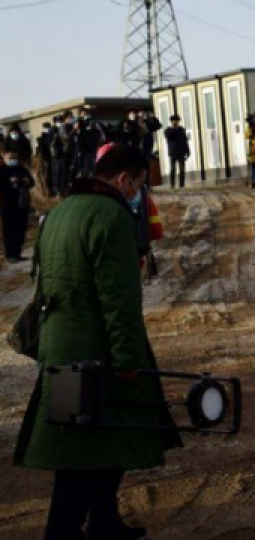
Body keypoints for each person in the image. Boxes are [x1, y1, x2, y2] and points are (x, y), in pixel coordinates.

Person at [13, 144, 183, 540]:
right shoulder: (112, 217)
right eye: (139, 185)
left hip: (61, 348)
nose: (138, 194)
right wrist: (127, 356)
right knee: (89, 451)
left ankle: (105, 522)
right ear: (124, 179)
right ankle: (63, 532)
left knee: (94, 441)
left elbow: (43, 284)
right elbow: (119, 298)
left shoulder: (57, 213)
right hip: (98, 352)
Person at [0, 150, 35, 262]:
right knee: (10, 230)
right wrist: (9, 182)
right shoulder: (2, 171)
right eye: (10, 158)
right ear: (5, 158)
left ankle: (18, 252)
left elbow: (31, 182)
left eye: (14, 157)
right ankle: (10, 254)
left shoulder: (21, 169)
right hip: (8, 204)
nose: (12, 160)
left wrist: (25, 181)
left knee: (21, 229)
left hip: (21, 203)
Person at [164, 115, 189, 189]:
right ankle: (172, 184)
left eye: (177, 120)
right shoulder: (168, 130)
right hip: (173, 152)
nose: (175, 122)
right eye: (174, 121)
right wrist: (173, 128)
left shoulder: (182, 129)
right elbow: (168, 136)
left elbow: (185, 141)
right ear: (171, 122)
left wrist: (187, 151)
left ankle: (182, 184)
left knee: (182, 169)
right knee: (173, 169)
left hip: (181, 151)